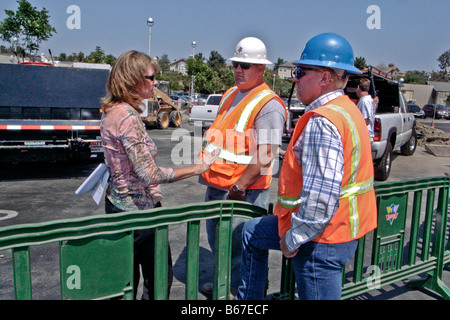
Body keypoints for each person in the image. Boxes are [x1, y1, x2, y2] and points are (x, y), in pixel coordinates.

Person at [235, 33, 377, 300]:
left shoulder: (322, 122)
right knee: (252, 232)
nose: (295, 78)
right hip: (344, 230)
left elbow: (320, 199)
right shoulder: (348, 109)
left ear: (325, 78)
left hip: (322, 239)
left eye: (300, 71)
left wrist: (293, 239)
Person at [100, 50, 218, 300]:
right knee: (158, 280)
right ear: (133, 79)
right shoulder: (127, 117)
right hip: (138, 216)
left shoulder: (112, 111)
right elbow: (149, 173)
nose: (155, 83)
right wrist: (198, 168)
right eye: (151, 77)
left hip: (119, 208)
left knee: (125, 281)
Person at [199, 37, 287, 294]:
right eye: (236, 64)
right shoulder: (230, 94)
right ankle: (222, 285)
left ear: (261, 69)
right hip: (218, 185)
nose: (238, 69)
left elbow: (267, 152)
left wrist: (240, 186)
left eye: (245, 65)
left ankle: (239, 294)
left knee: (239, 247)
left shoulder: (269, 104)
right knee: (219, 242)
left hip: (242, 191)